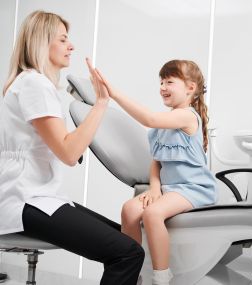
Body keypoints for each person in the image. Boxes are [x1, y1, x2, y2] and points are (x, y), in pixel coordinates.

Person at [0, 10, 144, 285]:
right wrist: (101, 103)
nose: (72, 46)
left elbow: (60, 146)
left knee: (125, 243)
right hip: (25, 200)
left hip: (34, 196)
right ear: (42, 43)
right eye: (63, 39)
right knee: (127, 254)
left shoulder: (31, 83)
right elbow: (69, 153)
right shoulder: (34, 84)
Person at [87, 59, 218, 285]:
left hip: (193, 188)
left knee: (152, 214)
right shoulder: (164, 126)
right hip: (169, 189)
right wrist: (155, 188)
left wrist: (114, 94)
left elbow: (149, 119)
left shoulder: (186, 116)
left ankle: (161, 276)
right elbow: (156, 162)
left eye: (170, 82)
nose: (163, 87)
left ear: (190, 88)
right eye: (161, 82)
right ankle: (132, 270)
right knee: (129, 210)